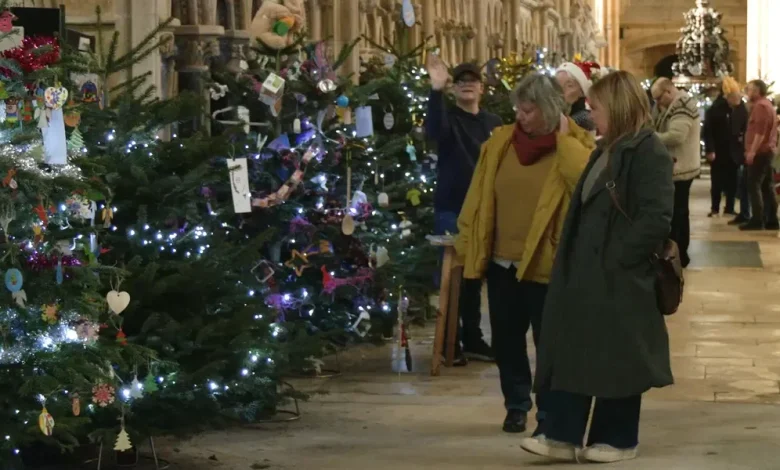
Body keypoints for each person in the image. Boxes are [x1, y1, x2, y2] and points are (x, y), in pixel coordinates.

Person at [520, 70, 674, 464]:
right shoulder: (605, 149)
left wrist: (619, 259)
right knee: (578, 352)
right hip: (587, 275)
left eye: (597, 108)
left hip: (619, 277)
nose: (591, 115)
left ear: (619, 107)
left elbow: (655, 218)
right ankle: (561, 434)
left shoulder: (647, 150)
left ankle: (618, 438)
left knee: (617, 359)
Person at [455, 73, 594, 434]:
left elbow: (584, 185)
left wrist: (564, 140)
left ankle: (548, 412)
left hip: (546, 264)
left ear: (549, 111)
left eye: (529, 110)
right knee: (506, 339)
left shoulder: (575, 145)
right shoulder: (500, 144)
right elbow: (479, 196)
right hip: (502, 262)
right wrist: (467, 243)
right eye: (519, 109)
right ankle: (516, 404)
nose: (520, 116)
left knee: (549, 344)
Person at [425, 54, 503, 364]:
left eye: (472, 81)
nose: (467, 85)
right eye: (461, 82)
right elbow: (433, 130)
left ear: (482, 88)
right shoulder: (448, 118)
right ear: (454, 89)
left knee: (473, 279)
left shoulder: (493, 123)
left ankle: (472, 338)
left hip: (485, 209)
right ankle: (449, 341)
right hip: (452, 207)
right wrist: (435, 89)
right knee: (450, 277)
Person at [651, 77, 700, 267]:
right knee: (678, 211)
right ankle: (677, 253)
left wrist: (650, 137)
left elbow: (676, 136)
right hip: (676, 166)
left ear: (669, 92)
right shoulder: (670, 104)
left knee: (678, 213)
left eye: (658, 98)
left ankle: (680, 254)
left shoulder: (683, 104)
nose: (657, 103)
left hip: (681, 168)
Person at [740, 79, 779, 231]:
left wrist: (752, 151)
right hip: (766, 151)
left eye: (749, 89)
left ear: (756, 91)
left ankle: (757, 220)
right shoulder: (767, 105)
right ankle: (772, 220)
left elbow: (760, 132)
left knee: (753, 185)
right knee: (766, 186)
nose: (747, 92)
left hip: (761, 152)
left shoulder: (761, 106)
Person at [703, 80, 741, 217]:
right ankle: (716, 207)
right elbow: (708, 131)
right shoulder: (716, 109)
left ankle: (727, 208)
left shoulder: (736, 107)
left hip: (730, 150)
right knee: (719, 181)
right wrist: (710, 149)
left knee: (729, 181)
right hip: (720, 150)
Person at [555, 61, 601, 132]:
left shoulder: (584, 120)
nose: (561, 91)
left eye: (569, 86)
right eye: (557, 86)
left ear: (581, 91)